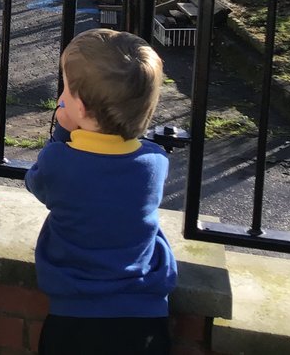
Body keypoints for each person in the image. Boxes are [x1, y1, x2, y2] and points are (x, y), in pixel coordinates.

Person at [25, 28, 178, 355]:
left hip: (74, 317)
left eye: (66, 89)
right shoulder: (155, 162)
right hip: (145, 318)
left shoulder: (59, 161)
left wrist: (62, 132)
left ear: (79, 107)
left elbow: (36, 183)